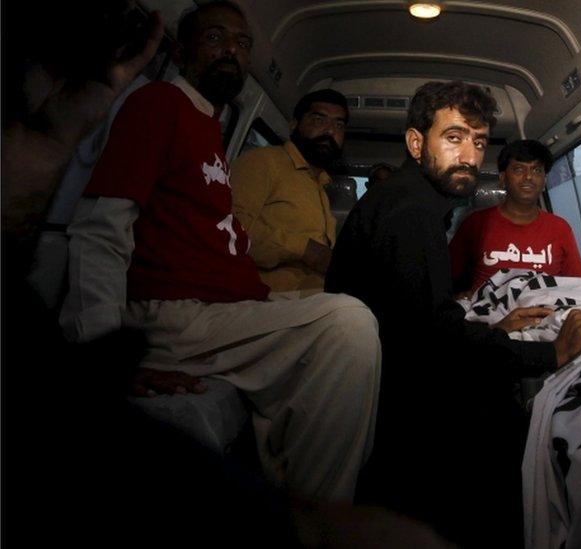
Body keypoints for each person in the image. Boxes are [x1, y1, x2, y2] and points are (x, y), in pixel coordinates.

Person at [58, 0, 380, 507]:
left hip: (228, 307)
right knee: (347, 324)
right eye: (215, 38)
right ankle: (317, 524)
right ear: (182, 51)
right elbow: (102, 227)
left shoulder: (210, 128)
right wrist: (104, 358)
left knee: (357, 326)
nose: (231, 50)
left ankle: (294, 490)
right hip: (179, 312)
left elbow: (225, 236)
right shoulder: (160, 104)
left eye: (242, 43)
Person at [325, 80, 581, 546]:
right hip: (392, 395)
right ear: (417, 144)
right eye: (453, 138)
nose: (470, 156)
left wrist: (493, 327)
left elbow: (420, 316)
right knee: (506, 423)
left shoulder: (417, 204)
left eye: (478, 142)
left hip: (393, 365)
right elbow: (432, 338)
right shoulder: (409, 212)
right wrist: (551, 354)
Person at [231, 89, 349, 293]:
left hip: (311, 297)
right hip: (264, 297)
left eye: (339, 125)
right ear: (294, 124)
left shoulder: (320, 186)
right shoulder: (263, 162)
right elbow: (230, 229)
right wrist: (303, 249)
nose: (330, 131)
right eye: (319, 120)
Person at [449, 139, 581, 293]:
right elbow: (446, 277)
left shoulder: (560, 228)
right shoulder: (475, 223)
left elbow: (580, 287)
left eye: (536, 170)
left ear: (544, 181)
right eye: (518, 170)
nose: (528, 177)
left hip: (544, 314)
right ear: (502, 179)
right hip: (489, 314)